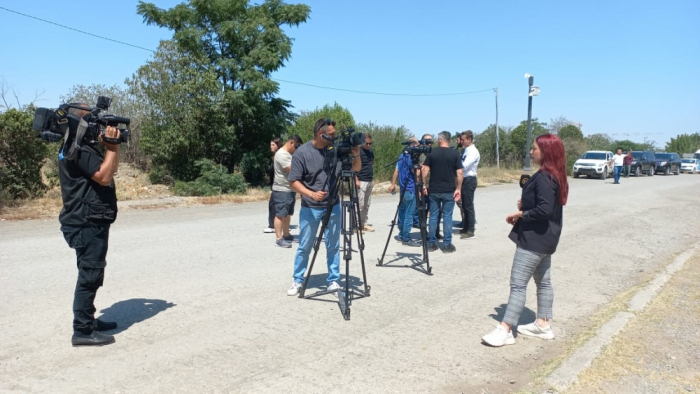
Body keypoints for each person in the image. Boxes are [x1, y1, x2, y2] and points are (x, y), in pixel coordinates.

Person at [481, 134, 569, 347]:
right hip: (546, 239)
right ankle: (543, 324)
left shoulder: (546, 177)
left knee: (518, 285)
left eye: (535, 149)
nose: (531, 152)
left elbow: (544, 210)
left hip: (534, 240)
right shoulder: (554, 175)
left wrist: (521, 214)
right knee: (544, 281)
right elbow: (544, 204)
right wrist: (526, 204)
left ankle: (505, 329)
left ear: (546, 152)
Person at [58, 104, 121, 346]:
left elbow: (107, 172)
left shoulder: (71, 146)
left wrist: (108, 149)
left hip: (84, 219)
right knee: (90, 274)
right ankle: (82, 330)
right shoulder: (79, 149)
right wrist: (112, 147)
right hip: (87, 222)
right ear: (81, 124)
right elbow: (105, 177)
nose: (99, 128)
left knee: (90, 271)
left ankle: (89, 319)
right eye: (94, 123)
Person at [286, 118, 361, 296]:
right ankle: (298, 280)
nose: (335, 137)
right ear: (321, 134)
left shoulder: (335, 151)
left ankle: (333, 280)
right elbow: (293, 181)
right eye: (332, 134)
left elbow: (356, 169)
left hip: (333, 205)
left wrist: (356, 153)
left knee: (333, 245)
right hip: (310, 207)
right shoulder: (302, 153)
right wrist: (310, 193)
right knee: (305, 245)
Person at [422, 131, 462, 253]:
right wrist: (458, 188)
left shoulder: (432, 153)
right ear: (449, 140)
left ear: (440, 140)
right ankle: (447, 244)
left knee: (433, 216)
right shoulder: (455, 153)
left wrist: (423, 184)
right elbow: (459, 173)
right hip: (449, 190)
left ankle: (431, 243)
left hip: (434, 189)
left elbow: (425, 170)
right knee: (447, 216)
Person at [272, 135, 304, 248]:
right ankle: (279, 238)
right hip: (282, 189)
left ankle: (286, 235)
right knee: (280, 214)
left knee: (287, 214)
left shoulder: (288, 154)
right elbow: (294, 170)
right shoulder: (282, 155)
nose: (296, 149)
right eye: (296, 146)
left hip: (289, 189)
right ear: (291, 143)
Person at [389, 137, 421, 247]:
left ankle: (401, 233)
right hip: (411, 188)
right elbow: (416, 174)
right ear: (413, 144)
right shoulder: (412, 157)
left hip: (403, 188)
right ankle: (406, 237)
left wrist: (393, 184)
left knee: (402, 211)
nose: (419, 146)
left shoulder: (401, 155)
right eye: (417, 143)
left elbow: (396, 171)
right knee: (409, 213)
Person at [459, 130, 480, 240]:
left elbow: (464, 165)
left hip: (469, 179)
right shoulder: (465, 150)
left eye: (463, 139)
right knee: (464, 205)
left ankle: (470, 230)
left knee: (468, 206)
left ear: (469, 140)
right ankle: (465, 227)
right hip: (464, 179)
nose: (461, 141)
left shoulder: (472, 151)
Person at [355, 134, 375, 233]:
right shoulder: (357, 151)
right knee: (360, 204)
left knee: (367, 204)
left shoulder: (370, 151)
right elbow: (353, 167)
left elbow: (372, 162)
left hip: (369, 180)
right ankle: (357, 225)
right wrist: (356, 180)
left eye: (369, 143)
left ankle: (364, 223)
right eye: (366, 143)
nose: (368, 145)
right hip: (361, 180)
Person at [264, 138, 283, 233]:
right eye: (270, 145)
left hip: (279, 185)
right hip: (274, 185)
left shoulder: (280, 157)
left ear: (278, 145)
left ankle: (272, 225)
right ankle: (276, 224)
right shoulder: (274, 157)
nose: (271, 147)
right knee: (275, 204)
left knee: (273, 204)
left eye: (273, 145)